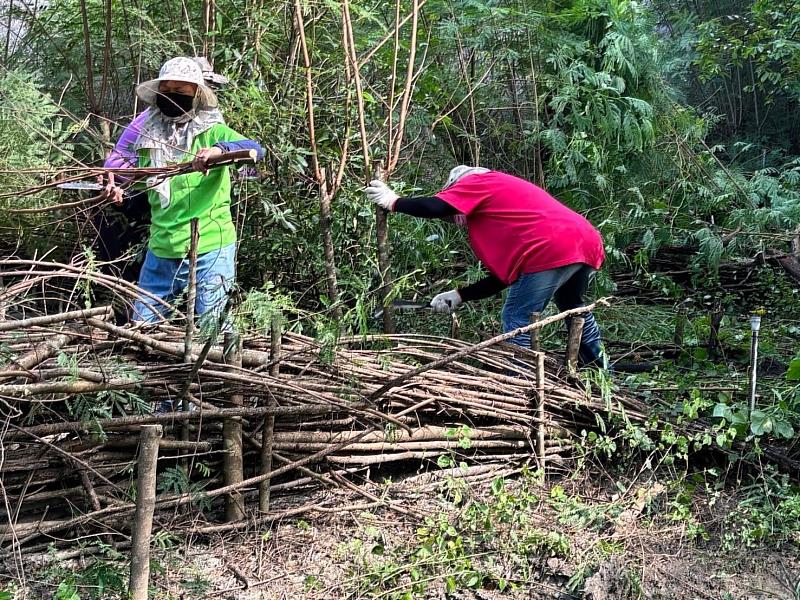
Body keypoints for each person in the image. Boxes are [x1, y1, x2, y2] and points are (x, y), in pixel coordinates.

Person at [365, 166, 607, 367]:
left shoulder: (478, 181)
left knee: (516, 316)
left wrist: (394, 201)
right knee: (574, 308)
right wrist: (460, 295)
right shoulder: (507, 208)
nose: (455, 215)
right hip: (583, 241)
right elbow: (509, 278)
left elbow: (436, 207)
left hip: (552, 246)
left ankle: (520, 384)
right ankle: (600, 369)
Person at [99, 56, 264, 323]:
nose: (172, 97)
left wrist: (219, 151)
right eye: (166, 91)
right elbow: (147, 197)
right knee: (141, 326)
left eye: (180, 92)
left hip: (210, 246)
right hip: (162, 249)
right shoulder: (149, 140)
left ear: (196, 95)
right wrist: (122, 200)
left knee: (212, 327)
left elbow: (255, 150)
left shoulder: (213, 132)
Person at [94, 57, 229, 284]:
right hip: (130, 191)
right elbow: (118, 164)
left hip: (166, 207)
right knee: (126, 266)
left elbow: (232, 148)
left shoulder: (204, 121)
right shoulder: (156, 121)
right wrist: (141, 179)